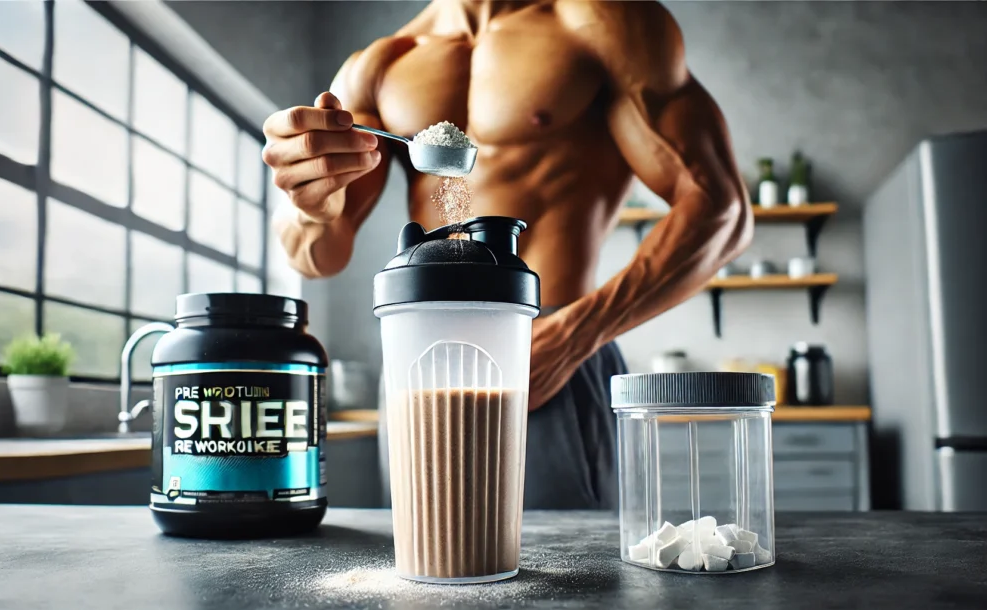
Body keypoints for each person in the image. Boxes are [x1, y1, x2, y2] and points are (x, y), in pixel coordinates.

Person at [262, 0, 752, 509]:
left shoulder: (602, 21)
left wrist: (575, 334)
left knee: (567, 575)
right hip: (421, 355)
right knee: (425, 563)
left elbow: (721, 210)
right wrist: (310, 204)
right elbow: (314, 255)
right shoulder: (382, 63)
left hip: (547, 347)